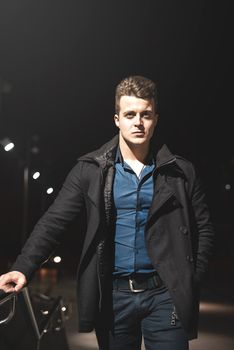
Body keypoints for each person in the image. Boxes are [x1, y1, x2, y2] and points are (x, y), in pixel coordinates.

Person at [0, 75, 214, 349]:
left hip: (165, 295)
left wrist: (191, 278)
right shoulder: (90, 170)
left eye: (146, 114)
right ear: (117, 120)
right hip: (114, 298)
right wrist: (22, 268)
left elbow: (204, 229)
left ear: (156, 119)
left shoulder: (181, 172)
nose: (138, 122)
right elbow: (54, 222)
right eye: (130, 114)